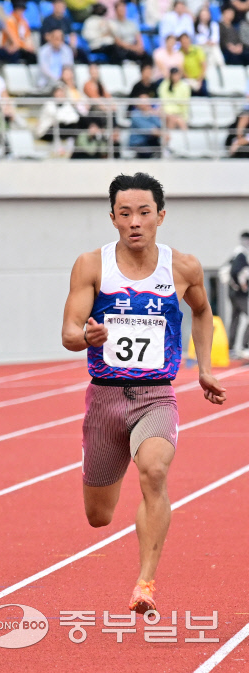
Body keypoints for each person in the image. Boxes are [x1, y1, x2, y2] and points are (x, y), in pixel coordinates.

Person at [61, 172, 226, 614]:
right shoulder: (92, 265)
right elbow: (69, 333)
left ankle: (145, 584)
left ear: (161, 216)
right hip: (105, 398)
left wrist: (204, 369)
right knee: (99, 516)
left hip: (156, 395)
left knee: (154, 471)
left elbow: (204, 313)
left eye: (144, 213)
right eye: (125, 213)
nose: (135, 221)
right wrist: (87, 338)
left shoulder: (183, 267)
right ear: (112, 217)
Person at [225, 231, 249, 356]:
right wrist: (242, 285)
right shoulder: (241, 254)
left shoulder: (235, 254)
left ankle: (231, 348)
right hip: (239, 293)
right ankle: (246, 346)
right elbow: (236, 271)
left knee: (235, 318)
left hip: (233, 292)